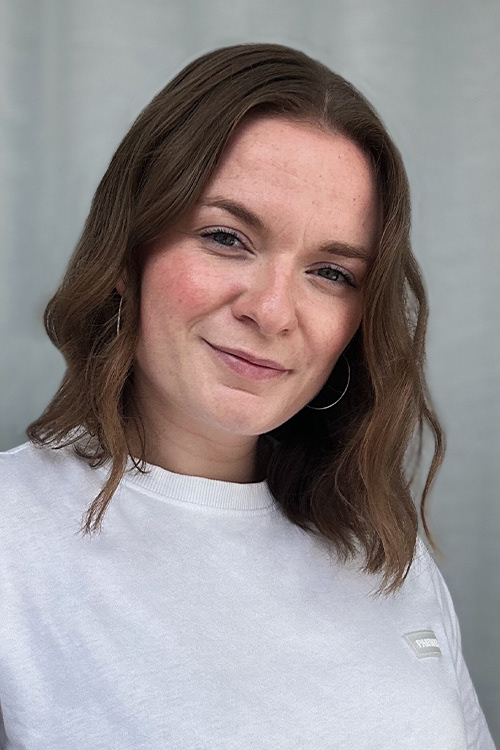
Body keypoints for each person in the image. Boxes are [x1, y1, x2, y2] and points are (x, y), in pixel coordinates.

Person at [0, 42, 495, 750]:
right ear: (126, 253)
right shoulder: (13, 544)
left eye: (331, 272)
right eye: (227, 237)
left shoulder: (382, 548)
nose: (271, 311)